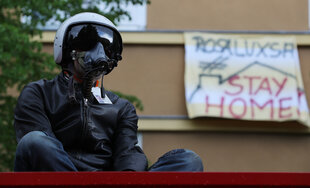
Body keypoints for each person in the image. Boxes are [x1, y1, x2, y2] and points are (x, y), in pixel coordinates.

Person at [13, 12, 203, 172]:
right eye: (88, 45)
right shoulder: (38, 93)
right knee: (34, 141)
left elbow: (126, 153)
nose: (99, 53)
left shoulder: (121, 108)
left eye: (106, 48)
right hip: (60, 175)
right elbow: (41, 152)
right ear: (66, 49)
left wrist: (129, 177)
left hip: (107, 180)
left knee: (187, 160)